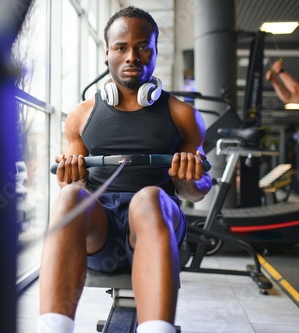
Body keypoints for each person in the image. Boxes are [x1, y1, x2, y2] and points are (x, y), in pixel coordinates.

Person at [36, 6, 213, 333]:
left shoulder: (182, 114)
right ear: (108, 52)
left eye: (144, 46)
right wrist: (70, 179)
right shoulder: (81, 116)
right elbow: (72, 187)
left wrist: (188, 179)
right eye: (121, 47)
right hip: (101, 238)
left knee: (148, 198)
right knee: (70, 198)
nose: (133, 56)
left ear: (155, 50)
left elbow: (195, 191)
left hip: (156, 228)